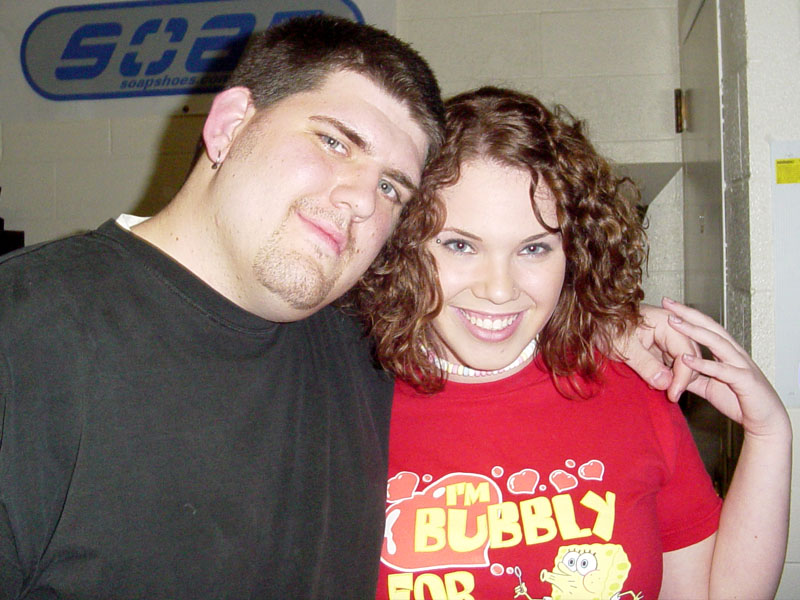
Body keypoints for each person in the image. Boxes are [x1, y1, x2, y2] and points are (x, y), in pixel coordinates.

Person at [0, 15, 704, 599]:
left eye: (392, 186)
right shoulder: (28, 331)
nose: (361, 199)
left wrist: (608, 324)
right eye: (334, 141)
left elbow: (481, 315)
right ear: (229, 124)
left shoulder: (352, 339)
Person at [349, 87, 792, 599]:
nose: (500, 289)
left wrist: (770, 434)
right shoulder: (349, 403)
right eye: (460, 245)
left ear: (574, 252)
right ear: (402, 245)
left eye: (534, 249)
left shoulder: (630, 386)